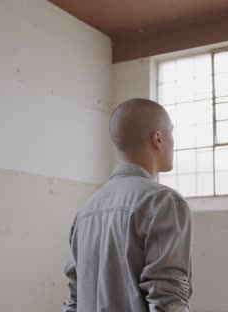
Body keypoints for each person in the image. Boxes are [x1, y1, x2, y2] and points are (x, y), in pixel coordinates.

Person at [62, 98, 193, 312]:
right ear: (158, 138)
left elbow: (74, 299)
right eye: (171, 132)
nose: (173, 141)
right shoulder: (164, 202)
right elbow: (168, 301)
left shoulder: (85, 211)